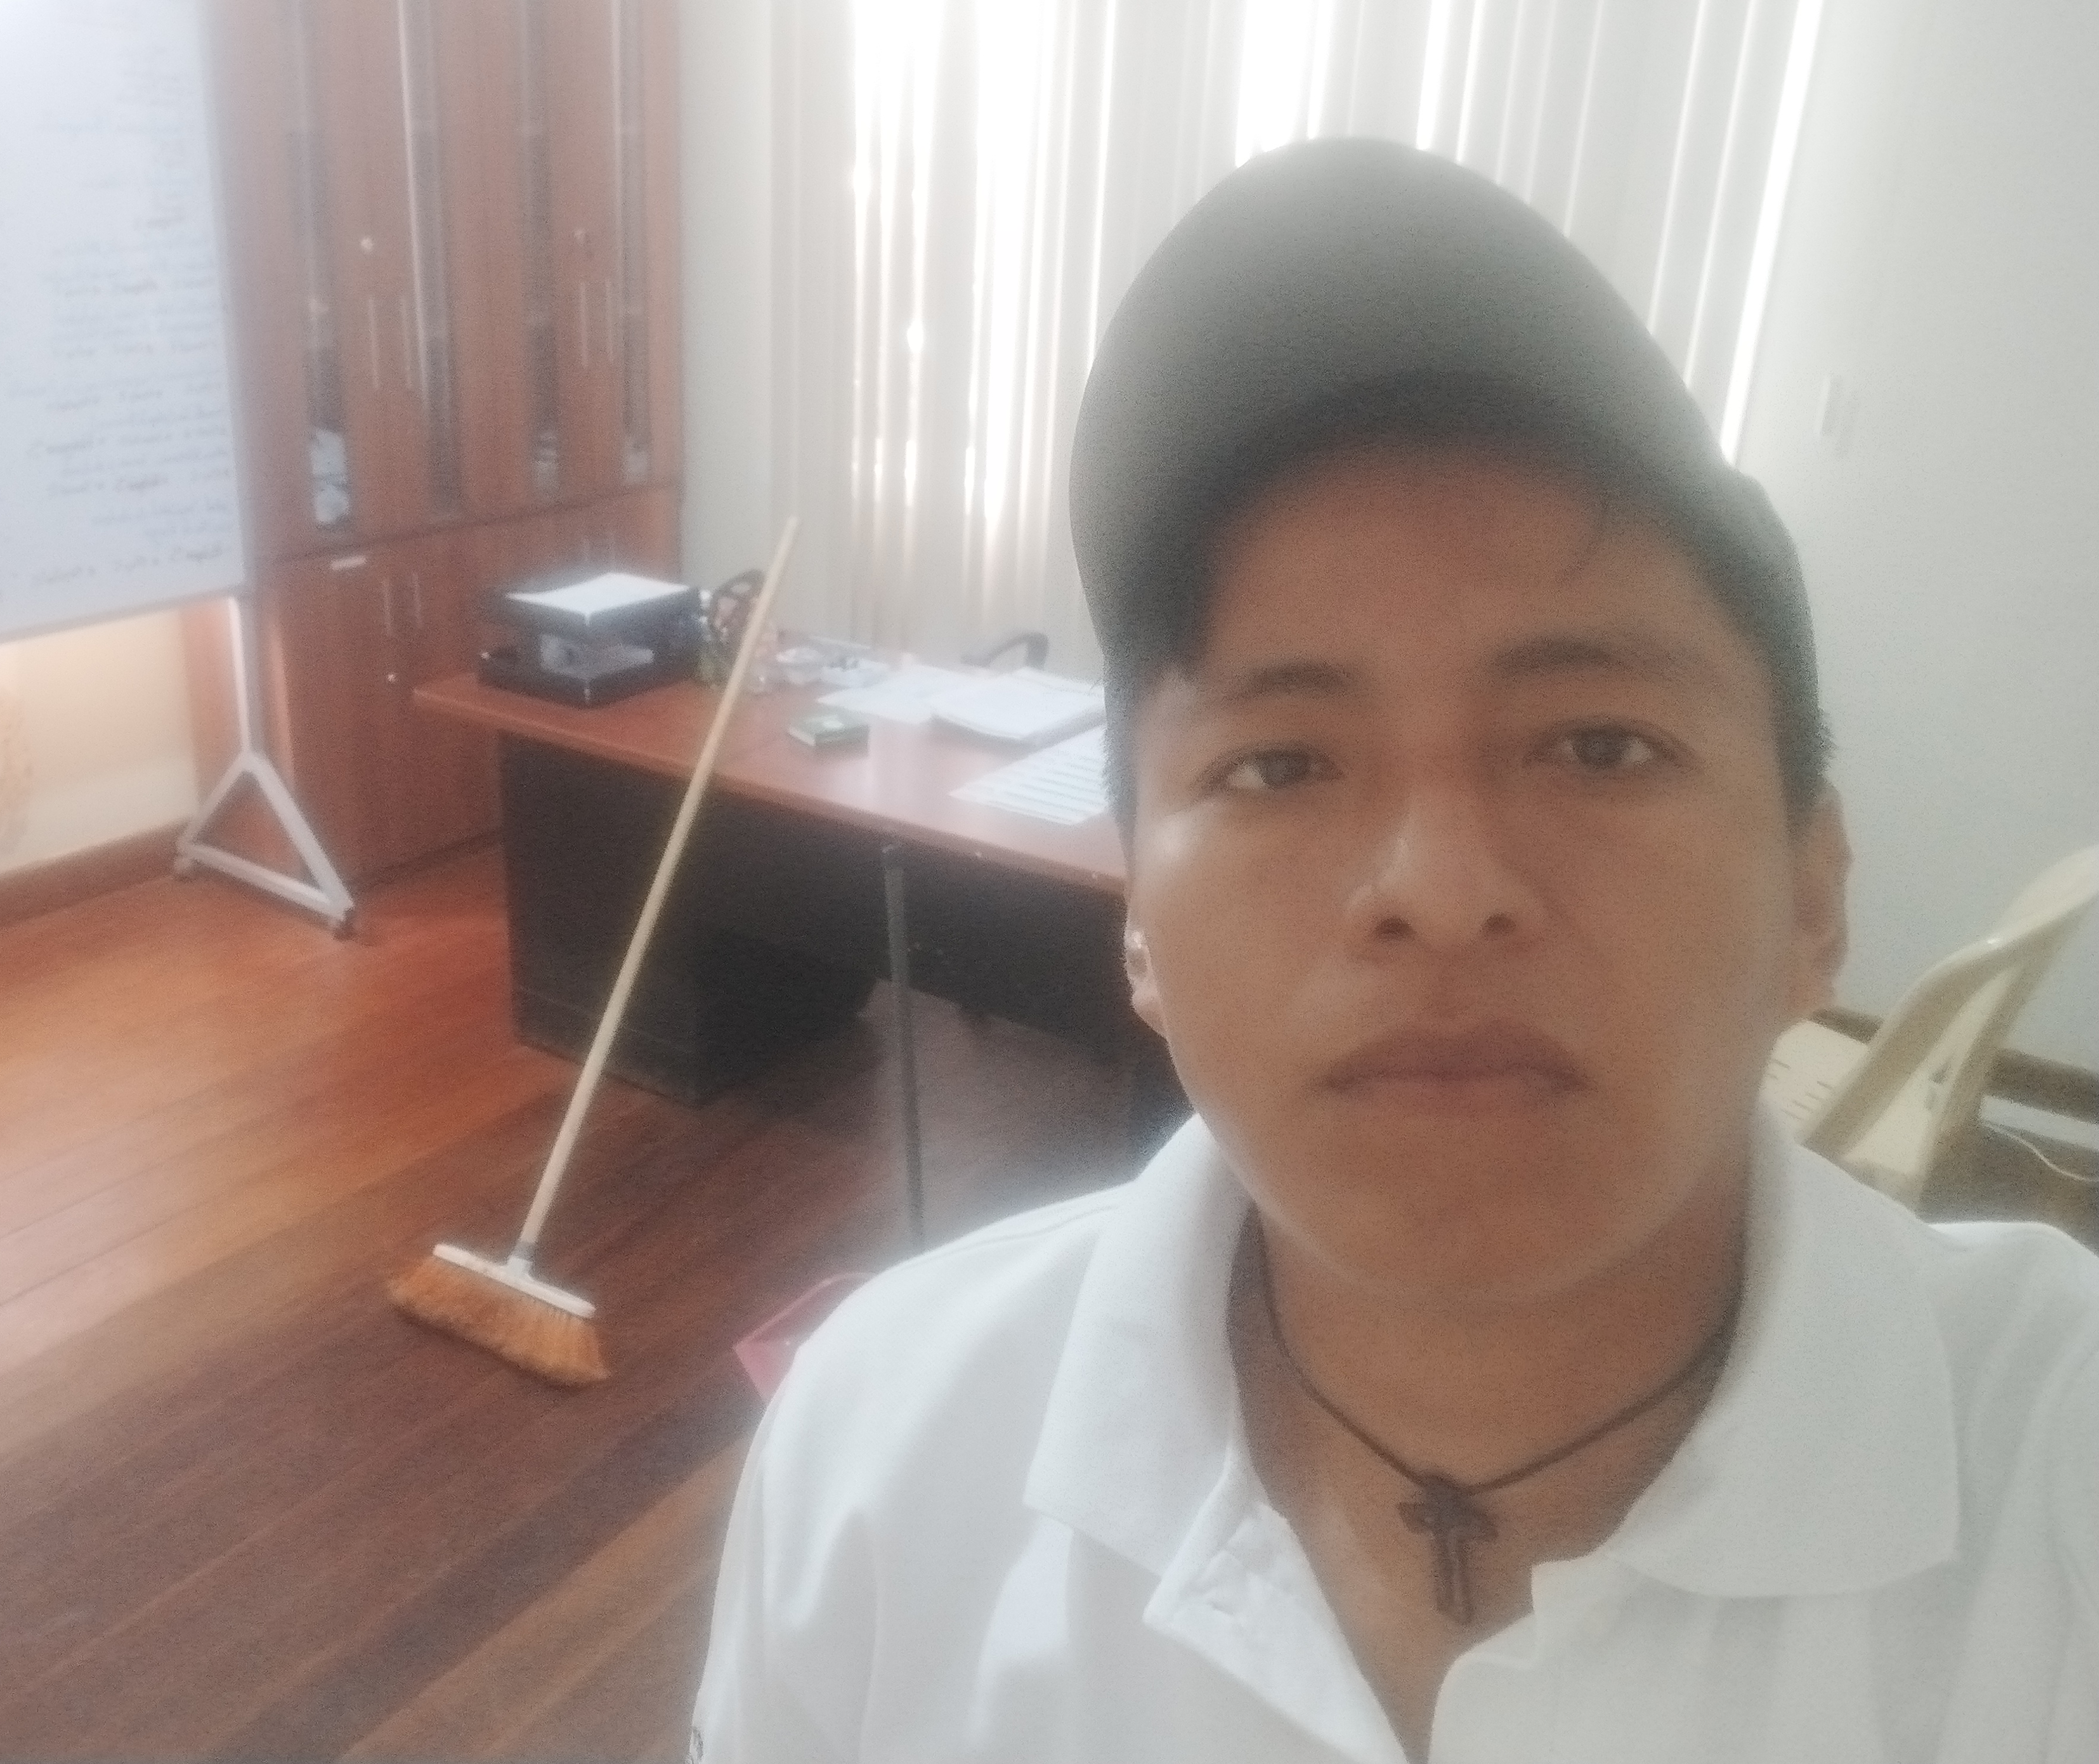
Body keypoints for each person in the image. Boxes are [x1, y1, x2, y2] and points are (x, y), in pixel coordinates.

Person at [689, 139, 2099, 1763]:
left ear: (1814, 896)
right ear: (1139, 927)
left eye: (1598, 746)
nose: (1439, 889)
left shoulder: (2057, 1483)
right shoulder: (879, 1457)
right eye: (1279, 765)